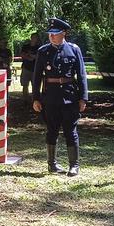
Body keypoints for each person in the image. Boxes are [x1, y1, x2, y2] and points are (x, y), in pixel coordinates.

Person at [32, 18, 88, 176]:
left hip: (70, 96)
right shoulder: (43, 51)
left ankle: (74, 165)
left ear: (63, 33)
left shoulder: (74, 49)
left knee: (71, 131)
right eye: (50, 34)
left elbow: (82, 75)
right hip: (50, 97)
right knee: (52, 130)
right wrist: (35, 98)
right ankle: (52, 165)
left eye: (55, 34)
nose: (51, 36)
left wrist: (83, 98)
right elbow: (36, 77)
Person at [20, 33, 41, 107]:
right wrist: (30, 57)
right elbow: (22, 54)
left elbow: (38, 57)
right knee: (25, 85)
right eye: (34, 37)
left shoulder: (39, 48)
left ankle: (34, 101)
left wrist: (30, 55)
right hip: (25, 68)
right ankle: (25, 100)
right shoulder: (25, 46)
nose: (35, 39)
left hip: (35, 70)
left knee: (34, 86)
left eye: (36, 37)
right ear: (31, 38)